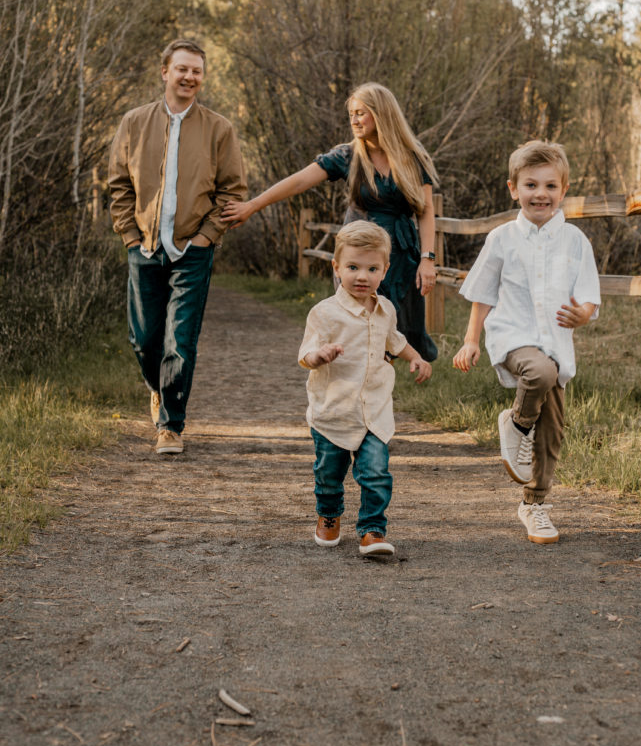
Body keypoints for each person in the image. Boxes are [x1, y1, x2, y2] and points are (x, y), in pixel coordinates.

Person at [223, 82, 439, 361]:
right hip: (358, 252)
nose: (354, 120)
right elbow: (299, 180)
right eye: (352, 113)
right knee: (357, 328)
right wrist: (252, 206)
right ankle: (354, 396)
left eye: (361, 113)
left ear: (381, 113)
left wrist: (427, 258)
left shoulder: (411, 156)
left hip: (400, 257)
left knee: (393, 332)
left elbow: (426, 209)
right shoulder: (348, 155)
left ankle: (377, 395)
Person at [452, 141, 600, 544]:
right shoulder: (502, 239)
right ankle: (516, 422)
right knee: (538, 371)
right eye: (530, 184)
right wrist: (470, 341)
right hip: (513, 336)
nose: (541, 194)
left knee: (551, 432)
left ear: (564, 190)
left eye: (550, 185)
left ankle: (534, 505)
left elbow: (589, 295)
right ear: (513, 188)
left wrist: (585, 314)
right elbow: (483, 292)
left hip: (557, 344)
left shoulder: (575, 241)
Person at [108, 38, 246, 455]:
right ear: (165, 71)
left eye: (197, 71)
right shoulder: (134, 122)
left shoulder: (219, 128)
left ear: (202, 78)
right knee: (143, 339)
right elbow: (118, 185)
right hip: (144, 247)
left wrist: (206, 237)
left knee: (180, 341)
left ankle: (170, 425)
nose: (189, 77)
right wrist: (130, 236)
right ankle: (158, 387)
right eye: (182, 69)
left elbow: (232, 191)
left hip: (193, 250)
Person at [299, 221, 432, 556]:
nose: (362, 276)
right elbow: (305, 354)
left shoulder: (386, 309)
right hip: (334, 412)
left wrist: (416, 358)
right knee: (329, 474)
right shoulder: (325, 314)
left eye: (372, 268)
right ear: (337, 267)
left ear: (385, 270)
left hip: (374, 410)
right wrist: (320, 355)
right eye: (353, 267)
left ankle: (372, 530)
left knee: (376, 472)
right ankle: (328, 515)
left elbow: (396, 341)